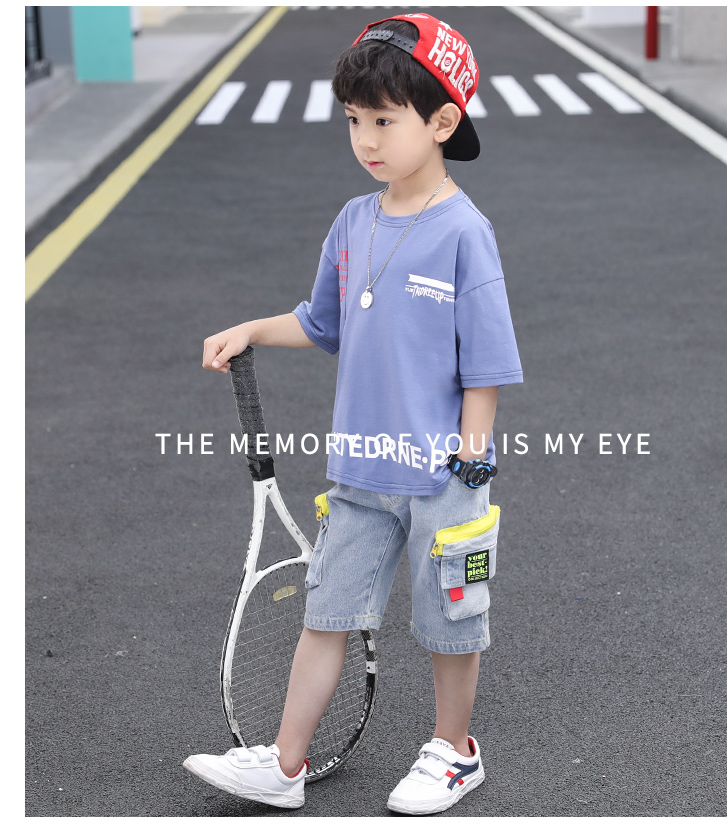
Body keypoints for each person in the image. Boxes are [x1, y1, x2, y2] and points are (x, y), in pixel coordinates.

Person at [183, 12, 522, 815]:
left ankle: (454, 753)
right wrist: (252, 329)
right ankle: (285, 764)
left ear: (442, 122)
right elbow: (321, 322)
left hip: (444, 476)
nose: (366, 139)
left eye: (384, 120)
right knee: (326, 614)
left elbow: (487, 366)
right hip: (361, 472)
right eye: (354, 120)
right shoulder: (352, 221)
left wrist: (472, 456)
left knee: (451, 621)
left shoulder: (465, 234)